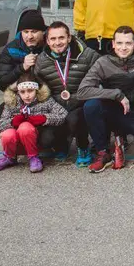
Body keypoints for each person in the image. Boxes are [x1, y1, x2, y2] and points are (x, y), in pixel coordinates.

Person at [76, 26, 134, 173]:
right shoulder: (103, 63)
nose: (123, 48)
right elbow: (82, 92)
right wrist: (116, 94)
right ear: (113, 44)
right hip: (114, 111)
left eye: (128, 43)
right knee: (91, 106)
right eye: (120, 43)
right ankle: (103, 152)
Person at [33, 22, 100, 166]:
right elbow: (39, 89)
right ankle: (61, 144)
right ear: (47, 41)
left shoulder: (87, 55)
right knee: (46, 140)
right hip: (56, 106)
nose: (57, 42)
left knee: (76, 117)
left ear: (69, 38)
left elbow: (101, 76)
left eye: (61, 38)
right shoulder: (41, 61)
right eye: (53, 39)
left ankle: (83, 147)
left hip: (80, 103)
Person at [0, 75, 68, 173]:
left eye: (30, 91)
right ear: (18, 92)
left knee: (25, 127)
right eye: (22, 92)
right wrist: (12, 122)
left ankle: (33, 157)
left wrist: (44, 118)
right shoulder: (12, 102)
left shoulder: (45, 100)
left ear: (37, 90)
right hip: (16, 137)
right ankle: (9, 157)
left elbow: (63, 114)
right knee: (7, 134)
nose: (27, 95)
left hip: (34, 136)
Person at [0, 10, 46, 123]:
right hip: (23, 96)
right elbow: (2, 83)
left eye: (34, 31)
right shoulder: (11, 49)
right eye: (26, 32)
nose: (29, 36)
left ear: (43, 31)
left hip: (47, 95)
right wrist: (22, 67)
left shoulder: (51, 45)